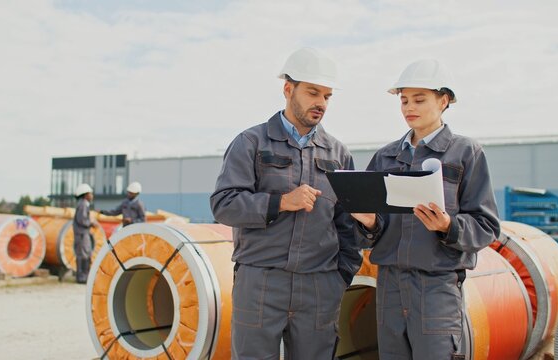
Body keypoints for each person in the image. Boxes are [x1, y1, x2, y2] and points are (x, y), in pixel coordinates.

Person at [210, 47, 364, 359]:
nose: (320, 103)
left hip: (319, 285)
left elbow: (347, 226)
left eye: (327, 96)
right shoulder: (251, 143)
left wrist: (340, 276)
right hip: (261, 281)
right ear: (288, 89)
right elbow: (224, 204)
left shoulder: (338, 155)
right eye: (312, 92)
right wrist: (280, 202)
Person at [350, 59, 500, 359]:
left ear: (443, 101)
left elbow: (486, 225)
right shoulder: (385, 157)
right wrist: (367, 223)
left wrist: (448, 226)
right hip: (390, 284)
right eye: (404, 100)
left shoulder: (465, 153)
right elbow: (373, 231)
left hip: (436, 286)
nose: (409, 107)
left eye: (419, 99)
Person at [73, 183, 97, 284]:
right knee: (84, 255)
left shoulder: (83, 204)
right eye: (90, 193)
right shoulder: (83, 204)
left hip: (82, 234)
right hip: (82, 234)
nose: (92, 195)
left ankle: (83, 276)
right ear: (85, 194)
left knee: (84, 255)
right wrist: (91, 222)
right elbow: (82, 220)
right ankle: (82, 277)